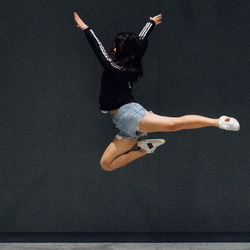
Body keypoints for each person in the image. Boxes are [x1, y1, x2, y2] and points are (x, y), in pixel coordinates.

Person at [73, 12, 240, 171]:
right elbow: (140, 40)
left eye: (115, 47)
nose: (113, 49)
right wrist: (150, 23)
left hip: (129, 115)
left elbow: (99, 49)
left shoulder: (113, 67)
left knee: (174, 124)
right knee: (106, 164)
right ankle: (145, 149)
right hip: (123, 125)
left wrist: (86, 28)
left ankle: (218, 121)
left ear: (119, 50)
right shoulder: (131, 60)